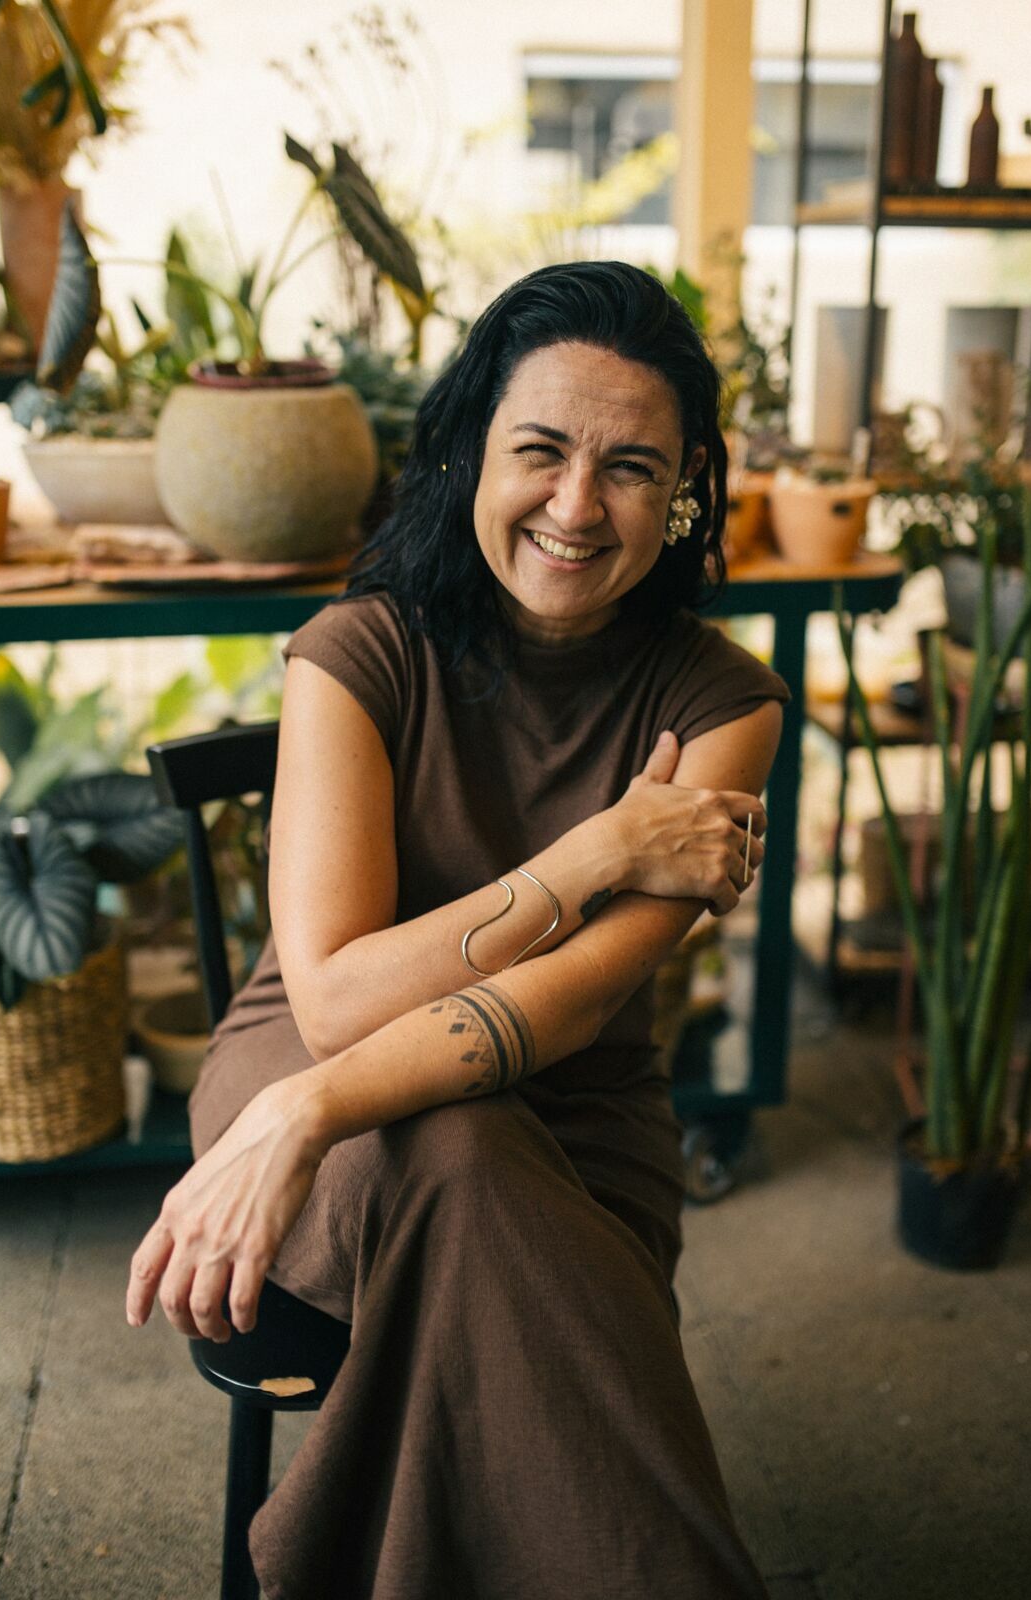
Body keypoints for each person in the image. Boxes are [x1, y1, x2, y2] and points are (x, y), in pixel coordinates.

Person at [126, 260, 792, 1599]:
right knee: (462, 1159)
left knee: (468, 1157)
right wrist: (603, 845)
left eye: (631, 468)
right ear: (468, 455)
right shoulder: (356, 652)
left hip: (562, 1115)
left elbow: (577, 1006)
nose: (574, 505)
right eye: (538, 451)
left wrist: (311, 1117)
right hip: (310, 1072)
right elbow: (331, 1005)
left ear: (682, 494)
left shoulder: (723, 702)